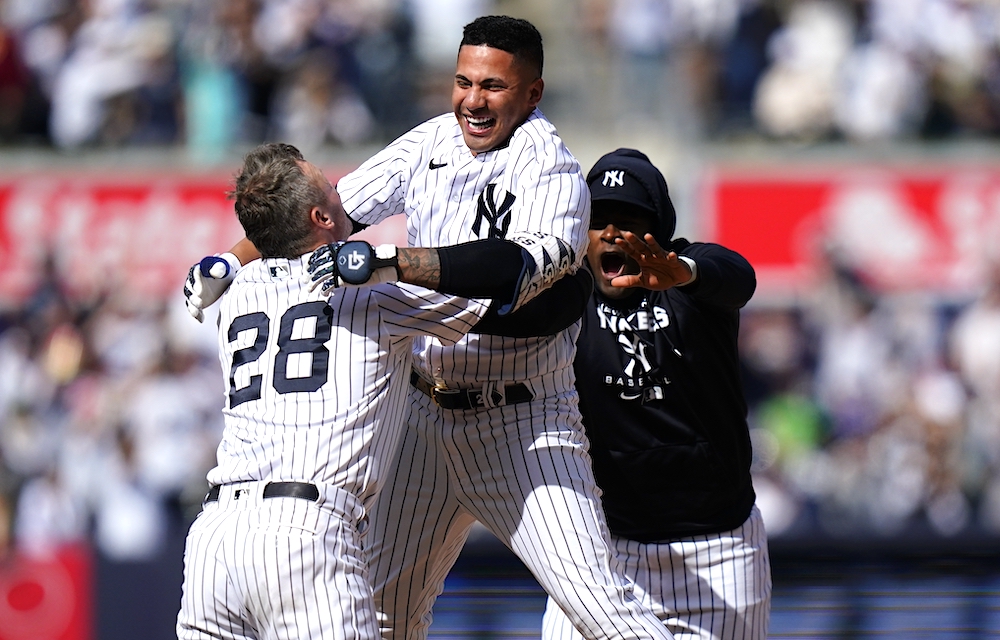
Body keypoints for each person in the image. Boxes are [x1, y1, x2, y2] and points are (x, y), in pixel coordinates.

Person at [184, 14, 677, 640]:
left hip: (520, 423)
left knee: (603, 612)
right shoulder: (429, 143)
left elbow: (520, 270)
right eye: (463, 81)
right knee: (382, 619)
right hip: (420, 417)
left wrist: (393, 260)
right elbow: (319, 217)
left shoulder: (548, 167)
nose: (473, 100)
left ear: (533, 94)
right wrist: (231, 257)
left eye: (493, 87)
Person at [176, 142, 496, 640]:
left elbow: (272, 238)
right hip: (305, 533)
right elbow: (494, 290)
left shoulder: (236, 293)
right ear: (320, 215)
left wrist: (230, 257)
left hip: (214, 540)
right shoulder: (373, 296)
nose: (343, 191)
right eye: (329, 184)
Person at [541, 148, 772, 640]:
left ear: (661, 230)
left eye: (630, 219)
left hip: (716, 552)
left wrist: (683, 272)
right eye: (598, 218)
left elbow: (739, 277)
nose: (613, 233)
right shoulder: (566, 293)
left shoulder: (693, 281)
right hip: (603, 554)